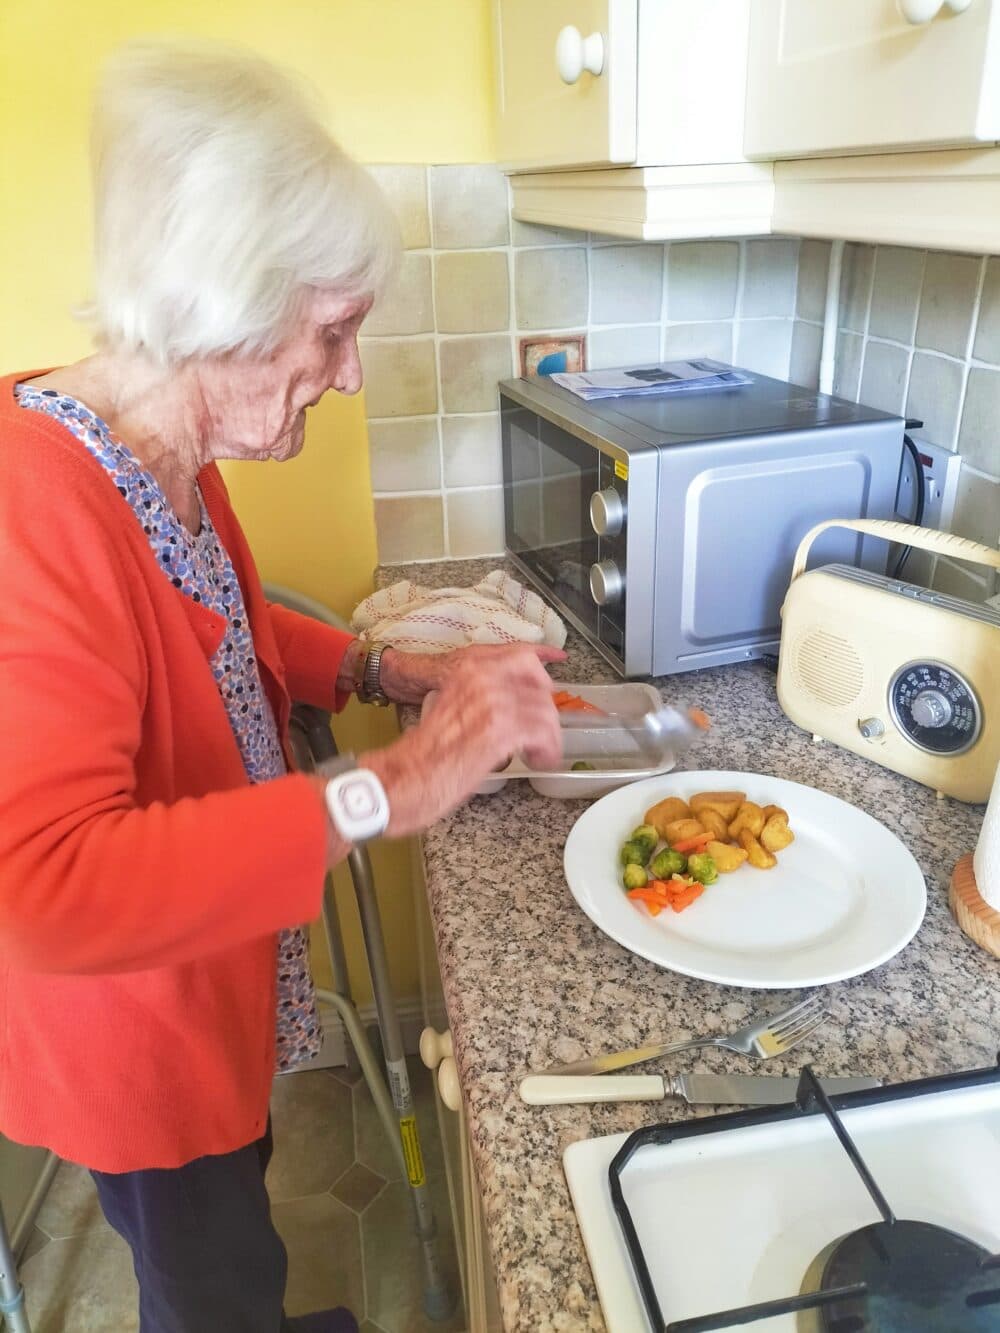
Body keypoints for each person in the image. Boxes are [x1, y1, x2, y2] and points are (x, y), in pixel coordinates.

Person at [0, 38, 563, 1333]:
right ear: (228, 308)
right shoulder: (36, 503)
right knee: (211, 1289)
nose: (350, 372)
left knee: (236, 1236)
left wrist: (383, 665)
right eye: (335, 331)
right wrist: (400, 783)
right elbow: (44, 888)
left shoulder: (163, 458)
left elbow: (233, 636)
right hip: (132, 1039)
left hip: (212, 992)